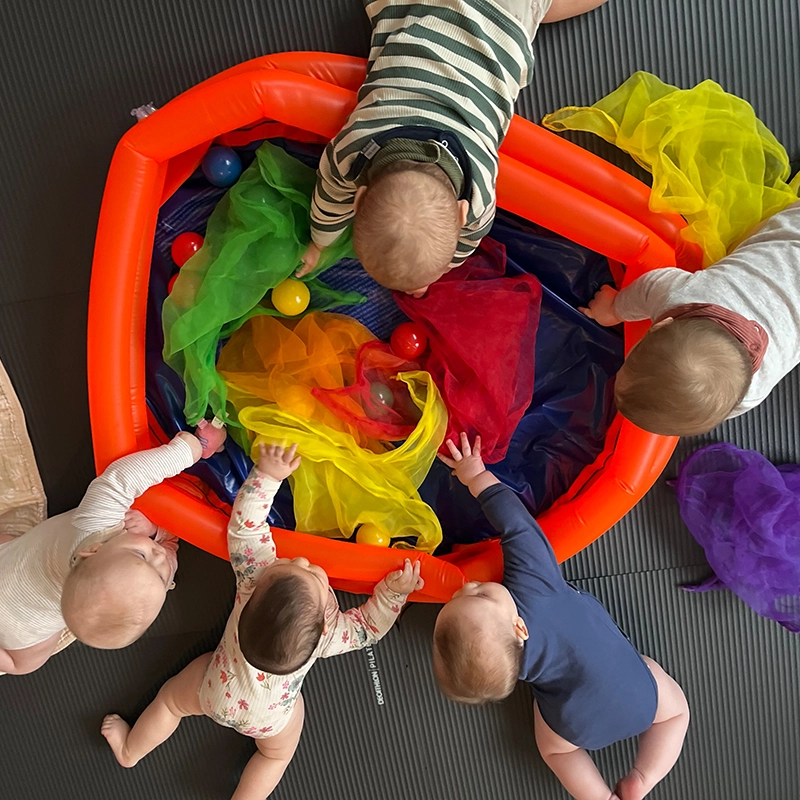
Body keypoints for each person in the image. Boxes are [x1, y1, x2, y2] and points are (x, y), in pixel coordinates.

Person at [101, 442, 423, 800]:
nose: (303, 561)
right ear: (323, 621)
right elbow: (368, 628)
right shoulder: (328, 634)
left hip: (216, 691)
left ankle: (131, 750)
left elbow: (246, 527)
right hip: (268, 718)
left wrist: (267, 477)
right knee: (275, 755)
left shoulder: (255, 577)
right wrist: (393, 595)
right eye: (314, 574)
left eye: (302, 568)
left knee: (170, 704)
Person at [432, 433, 689, 800]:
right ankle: (642, 778)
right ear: (519, 627)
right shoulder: (534, 585)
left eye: (458, 595)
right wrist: (476, 477)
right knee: (676, 713)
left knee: (557, 751)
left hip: (576, 724)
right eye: (481, 593)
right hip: (636, 698)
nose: (469, 586)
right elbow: (517, 524)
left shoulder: (505, 663)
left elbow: (483, 654)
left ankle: (606, 795)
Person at [297, 0, 608, 296]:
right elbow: (329, 197)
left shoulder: (479, 196)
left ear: (463, 212)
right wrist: (319, 242)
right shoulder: (356, 145)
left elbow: (461, 247)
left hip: (503, 23)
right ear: (360, 196)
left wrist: (320, 244)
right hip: (435, 12)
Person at [0, 408, 225, 676]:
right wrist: (156, 531)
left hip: (14, 598)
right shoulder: (148, 583)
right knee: (24, 663)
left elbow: (120, 479)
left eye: (142, 556)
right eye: (161, 574)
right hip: (13, 590)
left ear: (92, 549)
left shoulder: (91, 527)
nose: (159, 557)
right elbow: (170, 549)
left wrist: (186, 451)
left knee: (26, 661)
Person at [579, 201, 800, 436]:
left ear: (663, 324)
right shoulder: (685, 295)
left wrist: (615, 310)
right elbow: (647, 288)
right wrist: (613, 310)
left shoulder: (750, 393)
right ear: (662, 324)